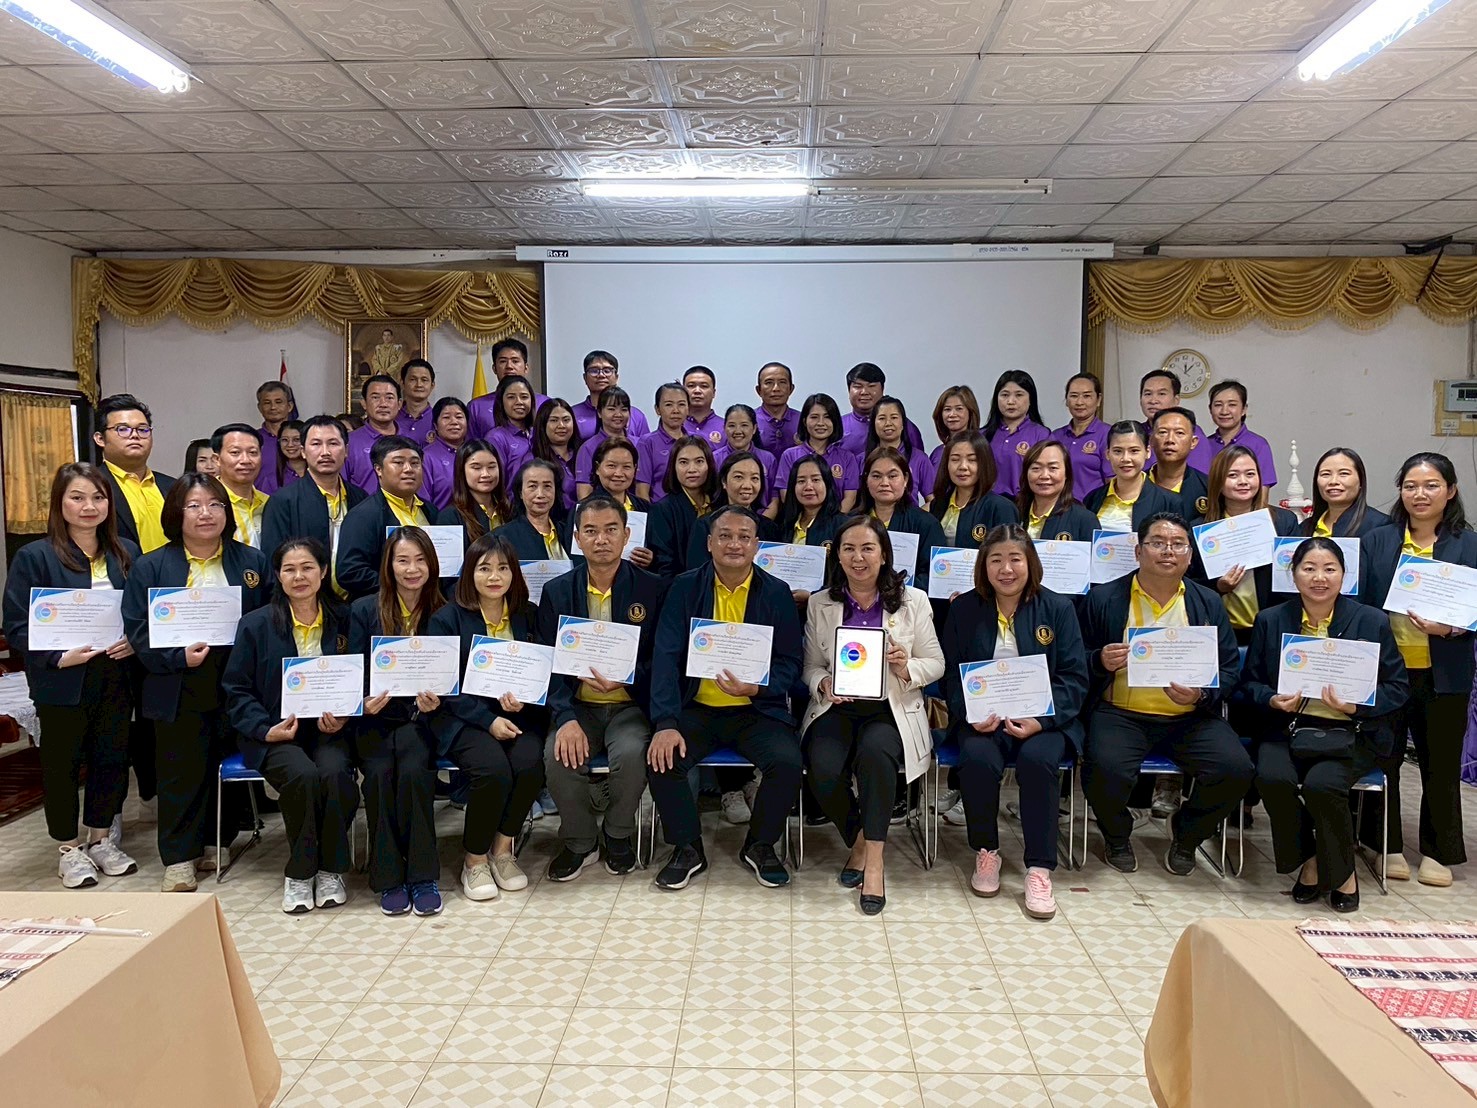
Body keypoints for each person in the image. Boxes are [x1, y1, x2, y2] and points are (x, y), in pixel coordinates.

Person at [1080, 512, 1252, 875]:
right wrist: (1099, 660)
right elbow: (1073, 658)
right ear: (1138, 551)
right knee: (1104, 769)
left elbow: (1229, 669)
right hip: (1120, 714)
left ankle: (1187, 835)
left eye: (1178, 544)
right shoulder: (1104, 598)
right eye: (1157, 543)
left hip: (1190, 717)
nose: (1168, 551)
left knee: (1235, 769)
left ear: (1190, 555)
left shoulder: (1207, 602)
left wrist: (1200, 695)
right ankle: (1117, 836)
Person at [1242, 538, 1408, 913]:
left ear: (1344, 575)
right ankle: (1312, 859)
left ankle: (1341, 873)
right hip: (1287, 728)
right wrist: (1271, 699)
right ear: (1293, 574)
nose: (1319, 577)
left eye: (1329, 569)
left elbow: (1398, 688)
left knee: (1321, 785)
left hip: (1352, 732)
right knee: (1272, 777)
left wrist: (1355, 705)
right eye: (1309, 568)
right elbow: (1249, 683)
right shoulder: (1271, 620)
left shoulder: (1371, 621)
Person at [121, 473, 269, 891]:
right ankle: (179, 858)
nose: (206, 514)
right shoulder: (151, 565)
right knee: (180, 771)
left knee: (224, 757)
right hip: (177, 682)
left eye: (215, 505)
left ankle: (217, 840)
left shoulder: (252, 562)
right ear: (176, 513)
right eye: (194, 506)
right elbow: (137, 628)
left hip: (235, 680)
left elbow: (268, 621)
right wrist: (176, 657)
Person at [646, 505, 803, 890]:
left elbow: (791, 662)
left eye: (744, 537)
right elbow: (665, 657)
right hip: (696, 708)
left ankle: (760, 844)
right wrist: (665, 723)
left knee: (787, 762)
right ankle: (687, 847)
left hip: (755, 710)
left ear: (756, 545)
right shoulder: (684, 587)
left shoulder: (777, 593)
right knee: (663, 759)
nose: (734, 544)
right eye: (725, 536)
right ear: (709, 543)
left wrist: (758, 687)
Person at [2, 463, 140, 887]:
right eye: (77, 497)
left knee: (111, 759)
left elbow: (141, 613)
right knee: (61, 765)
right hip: (61, 677)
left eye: (98, 498)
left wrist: (135, 641)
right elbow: (17, 624)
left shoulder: (126, 552)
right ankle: (69, 848)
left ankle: (100, 839)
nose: (88, 506)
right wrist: (58, 657)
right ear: (59, 503)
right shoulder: (35, 556)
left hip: (115, 672)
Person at [940, 525, 1088, 917]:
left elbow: (1074, 677)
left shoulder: (1057, 608)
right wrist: (970, 714)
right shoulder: (964, 609)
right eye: (996, 560)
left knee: (1038, 761)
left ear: (1030, 563)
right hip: (983, 719)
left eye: (1015, 559)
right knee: (978, 760)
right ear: (983, 566)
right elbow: (951, 675)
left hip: (1043, 720)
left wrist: (1042, 719)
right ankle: (986, 851)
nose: (1006, 569)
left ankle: (1039, 868)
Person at [801, 516, 944, 915]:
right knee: (822, 768)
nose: (858, 557)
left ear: (884, 555)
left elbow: (936, 663)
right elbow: (810, 665)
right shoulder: (820, 603)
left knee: (876, 756)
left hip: (891, 709)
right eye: (849, 549)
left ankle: (875, 864)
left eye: (868, 548)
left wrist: (905, 665)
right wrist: (822, 683)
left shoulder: (914, 601)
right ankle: (861, 840)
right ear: (837, 555)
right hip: (838, 706)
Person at [1358, 452, 1477, 886]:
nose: (1419, 494)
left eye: (1431, 486)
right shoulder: (1378, 540)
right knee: (1384, 758)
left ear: (1451, 491)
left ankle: (1438, 851)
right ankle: (1384, 843)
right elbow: (1360, 604)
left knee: (1439, 764)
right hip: (1387, 672)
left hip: (1443, 672)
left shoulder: (1469, 544)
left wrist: (1452, 628)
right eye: (1410, 486)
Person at [221, 538, 357, 914]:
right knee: (302, 776)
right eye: (289, 569)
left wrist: (347, 713)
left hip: (330, 730)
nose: (299, 576)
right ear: (278, 576)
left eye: (307, 567)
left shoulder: (345, 618)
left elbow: (361, 676)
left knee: (335, 776)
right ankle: (301, 872)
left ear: (323, 572)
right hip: (274, 733)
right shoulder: (256, 624)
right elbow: (236, 689)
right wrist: (265, 729)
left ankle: (330, 869)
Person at [540, 496, 665, 880]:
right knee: (559, 755)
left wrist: (629, 677)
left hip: (630, 705)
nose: (601, 540)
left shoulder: (653, 588)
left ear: (626, 535)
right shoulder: (557, 591)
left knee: (631, 753)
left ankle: (617, 833)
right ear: (577, 538)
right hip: (578, 706)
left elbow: (663, 662)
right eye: (591, 531)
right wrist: (564, 717)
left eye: (611, 530)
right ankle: (581, 841)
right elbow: (547, 663)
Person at [428, 533, 548, 900]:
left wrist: (525, 700)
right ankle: (475, 859)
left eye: (503, 568)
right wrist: (487, 720)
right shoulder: (446, 619)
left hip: (518, 716)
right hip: (463, 718)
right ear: (469, 573)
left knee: (530, 765)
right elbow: (445, 687)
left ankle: (502, 849)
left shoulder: (528, 615)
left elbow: (542, 670)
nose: (494, 576)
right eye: (484, 568)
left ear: (515, 573)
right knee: (493, 770)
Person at [350, 526, 446, 916]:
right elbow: (353, 671)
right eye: (402, 560)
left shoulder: (444, 610)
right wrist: (362, 702)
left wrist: (438, 700)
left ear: (432, 564)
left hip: (422, 720)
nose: (412, 569)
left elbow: (452, 675)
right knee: (377, 776)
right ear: (388, 565)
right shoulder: (363, 610)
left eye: (420, 560)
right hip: (375, 719)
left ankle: (422, 876)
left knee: (413, 772)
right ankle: (388, 876)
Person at [1193, 445, 1301, 646]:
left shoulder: (1283, 521)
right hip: (1222, 632)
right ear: (1217, 481)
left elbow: (1295, 577)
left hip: (1272, 630)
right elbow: (1190, 584)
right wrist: (1218, 587)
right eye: (1233, 475)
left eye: (1250, 474)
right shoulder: (1201, 530)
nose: (1243, 481)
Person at [261, 415, 365, 586]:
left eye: (333, 443)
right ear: (303, 451)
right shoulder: (283, 501)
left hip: (355, 596)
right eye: (316, 444)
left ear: (346, 450)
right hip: (304, 597)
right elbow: (274, 564)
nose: (325, 452)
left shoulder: (360, 498)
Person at [335, 435, 427, 600]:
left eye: (415, 463)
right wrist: (399, 585)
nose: (408, 469)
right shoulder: (363, 515)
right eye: (398, 463)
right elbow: (350, 571)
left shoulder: (430, 511)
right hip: (382, 606)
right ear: (378, 469)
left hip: (427, 604)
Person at [856, 447, 947, 596]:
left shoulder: (926, 523)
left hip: (907, 601)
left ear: (905, 479)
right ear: (866, 480)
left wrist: (894, 587)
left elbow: (934, 575)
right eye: (876, 476)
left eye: (892, 476)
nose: (884, 483)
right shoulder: (851, 522)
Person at [96, 393, 174, 553]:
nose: (135, 435)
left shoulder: (172, 486)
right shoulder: (91, 486)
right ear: (100, 439)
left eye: (143, 429)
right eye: (122, 429)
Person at [685, 450, 777, 570]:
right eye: (738, 477)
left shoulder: (770, 528)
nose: (747, 485)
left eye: (754, 478)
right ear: (724, 482)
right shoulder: (704, 525)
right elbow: (696, 572)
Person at [1083, 421, 1180, 533]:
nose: (1125, 458)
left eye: (1134, 451)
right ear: (1108, 454)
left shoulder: (1169, 502)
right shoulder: (1092, 499)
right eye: (1117, 451)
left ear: (1147, 452)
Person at [646, 436, 719, 578]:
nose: (692, 469)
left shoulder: (720, 504)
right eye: (683, 462)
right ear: (673, 467)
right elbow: (664, 566)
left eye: (699, 461)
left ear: (709, 465)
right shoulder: (663, 510)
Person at [929, 431, 1017, 547]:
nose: (963, 467)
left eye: (972, 460)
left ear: (984, 464)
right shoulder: (938, 504)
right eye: (955, 459)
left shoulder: (1001, 507)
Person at [776, 393, 860, 514]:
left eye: (827, 417)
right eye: (814, 417)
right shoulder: (789, 456)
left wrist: (833, 521)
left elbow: (850, 498)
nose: (821, 423)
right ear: (804, 421)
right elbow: (786, 496)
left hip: (836, 522)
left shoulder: (847, 458)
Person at [983, 370, 1050, 498]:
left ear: (1030, 399)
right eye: (1005, 395)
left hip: (1025, 503)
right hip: (987, 504)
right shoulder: (983, 435)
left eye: (1019, 395)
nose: (1010, 401)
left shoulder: (1042, 435)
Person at [436, 439, 513, 549]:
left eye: (491, 467)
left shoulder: (509, 510)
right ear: (461, 471)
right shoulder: (450, 517)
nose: (486, 474)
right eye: (476, 468)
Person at [1016, 440, 1100, 541]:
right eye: (1036, 468)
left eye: (1053, 468)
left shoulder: (1085, 520)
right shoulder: (1013, 513)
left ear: (1067, 474)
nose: (1044, 476)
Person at [1302, 446, 1389, 538]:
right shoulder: (1304, 528)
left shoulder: (1380, 526)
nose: (1333, 481)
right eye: (1325, 474)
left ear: (1361, 481)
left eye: (1344, 473)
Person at [468, 339, 548, 438]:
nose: (509, 366)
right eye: (503, 361)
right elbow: (470, 445)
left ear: (526, 368)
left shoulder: (544, 403)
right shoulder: (477, 407)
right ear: (494, 368)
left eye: (515, 361)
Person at [493, 460, 569, 563]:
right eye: (532, 486)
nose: (540, 494)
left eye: (547, 486)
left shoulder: (568, 534)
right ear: (520, 492)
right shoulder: (502, 537)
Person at [841, 363, 925, 456]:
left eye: (871, 386)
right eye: (858, 386)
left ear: (882, 389)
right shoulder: (838, 426)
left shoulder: (904, 427)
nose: (864, 392)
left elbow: (918, 460)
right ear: (849, 390)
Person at [1051, 372, 1111, 500]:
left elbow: (1112, 482)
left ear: (1098, 399)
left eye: (1087, 396)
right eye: (1074, 396)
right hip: (1059, 507)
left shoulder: (1108, 435)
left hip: (1093, 507)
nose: (1079, 402)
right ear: (1066, 400)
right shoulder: (1056, 436)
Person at [1138, 369, 1213, 472]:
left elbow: (1198, 476)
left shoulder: (1191, 433)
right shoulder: (1136, 432)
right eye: (1148, 394)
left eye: (1161, 394)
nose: (1153, 400)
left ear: (1176, 400)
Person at [1207, 380, 1277, 486]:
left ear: (1244, 409)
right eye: (1218, 405)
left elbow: (1262, 490)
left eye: (1232, 405)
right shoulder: (1204, 445)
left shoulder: (1258, 445)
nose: (1224, 411)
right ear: (1210, 409)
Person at [866, 396, 934, 504]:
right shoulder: (862, 459)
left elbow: (932, 499)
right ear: (873, 424)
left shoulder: (919, 458)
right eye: (882, 418)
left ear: (903, 423)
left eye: (894, 417)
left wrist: (918, 513)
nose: (888, 423)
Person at [212, 423, 269, 550]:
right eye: (235, 452)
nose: (245, 460)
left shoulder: (268, 503)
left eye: (253, 452)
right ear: (217, 459)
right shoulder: (207, 505)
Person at [571, 349, 649, 441]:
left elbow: (646, 446)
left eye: (607, 370)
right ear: (585, 378)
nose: (601, 375)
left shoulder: (636, 416)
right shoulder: (572, 414)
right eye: (594, 371)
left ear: (616, 377)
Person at [345, 374, 404, 494]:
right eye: (375, 397)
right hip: (362, 505)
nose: (383, 404)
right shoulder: (349, 442)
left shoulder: (411, 440)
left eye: (389, 398)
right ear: (364, 403)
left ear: (399, 404)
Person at [1148, 407, 1209, 521]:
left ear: (1193, 442)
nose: (1170, 440)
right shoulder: (1136, 484)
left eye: (1179, 433)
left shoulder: (1208, 487)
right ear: (1151, 440)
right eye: (1163, 432)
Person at [712, 404, 778, 507]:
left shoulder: (768, 459)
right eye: (732, 426)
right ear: (724, 428)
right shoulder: (714, 459)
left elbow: (774, 498)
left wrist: (762, 517)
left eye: (744, 425)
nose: (738, 431)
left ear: (754, 428)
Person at [575, 386, 633, 499]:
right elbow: (584, 493)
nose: (618, 414)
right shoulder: (588, 448)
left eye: (624, 409)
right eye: (611, 409)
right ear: (599, 413)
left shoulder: (639, 443)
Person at [635, 382, 688, 504]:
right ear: (657, 409)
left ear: (688, 408)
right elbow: (642, 491)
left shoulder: (697, 441)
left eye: (681, 404)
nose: (676, 410)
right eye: (669, 405)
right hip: (659, 511)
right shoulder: (647, 442)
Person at [485, 372, 538, 482]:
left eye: (524, 397)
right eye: (511, 397)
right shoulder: (495, 438)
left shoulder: (538, 433)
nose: (519, 402)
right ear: (501, 402)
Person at [420, 397, 471, 510]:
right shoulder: (426, 457)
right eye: (446, 417)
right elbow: (423, 502)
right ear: (435, 425)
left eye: (459, 417)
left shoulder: (475, 452)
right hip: (439, 519)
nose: (454, 422)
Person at [532, 396, 581, 510]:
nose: (561, 426)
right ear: (543, 425)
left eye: (566, 420)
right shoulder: (533, 460)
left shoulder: (583, 454)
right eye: (554, 420)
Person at [929, 385, 981, 469]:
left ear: (970, 412)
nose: (952, 414)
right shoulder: (937, 454)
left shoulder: (980, 448)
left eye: (959, 409)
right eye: (947, 409)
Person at [754, 361, 800, 455]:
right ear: (759, 390)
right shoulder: (749, 420)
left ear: (791, 389)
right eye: (769, 383)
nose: (776, 388)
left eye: (782, 382)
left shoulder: (803, 420)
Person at [254, 381, 294, 486]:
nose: (273, 407)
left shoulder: (304, 438)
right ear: (259, 408)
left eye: (278, 402)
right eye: (267, 403)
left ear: (290, 406)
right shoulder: (252, 440)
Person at [394, 358, 436, 445]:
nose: (419, 385)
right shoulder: (392, 418)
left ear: (432, 386)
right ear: (402, 383)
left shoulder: (438, 420)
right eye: (413, 379)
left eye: (424, 380)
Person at [260, 419, 306, 496]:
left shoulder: (319, 474)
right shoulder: (271, 480)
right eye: (285, 440)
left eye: (296, 439)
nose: (290, 444)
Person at [682, 365, 725, 447]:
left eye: (704, 386)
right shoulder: (675, 425)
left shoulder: (726, 427)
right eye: (691, 386)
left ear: (713, 393)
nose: (697, 391)